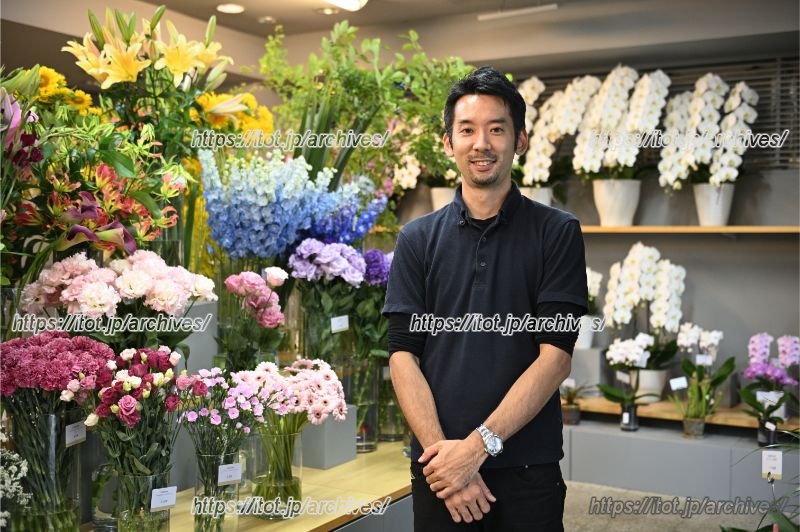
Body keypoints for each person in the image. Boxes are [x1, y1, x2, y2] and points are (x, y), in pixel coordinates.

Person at [383, 66, 588, 531]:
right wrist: (446, 463)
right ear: (448, 142)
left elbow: (555, 357)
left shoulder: (557, 233)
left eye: (497, 129)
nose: (482, 143)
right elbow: (402, 356)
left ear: (520, 141)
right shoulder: (416, 239)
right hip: (438, 471)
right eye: (468, 130)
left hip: (526, 472)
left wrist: (476, 450)